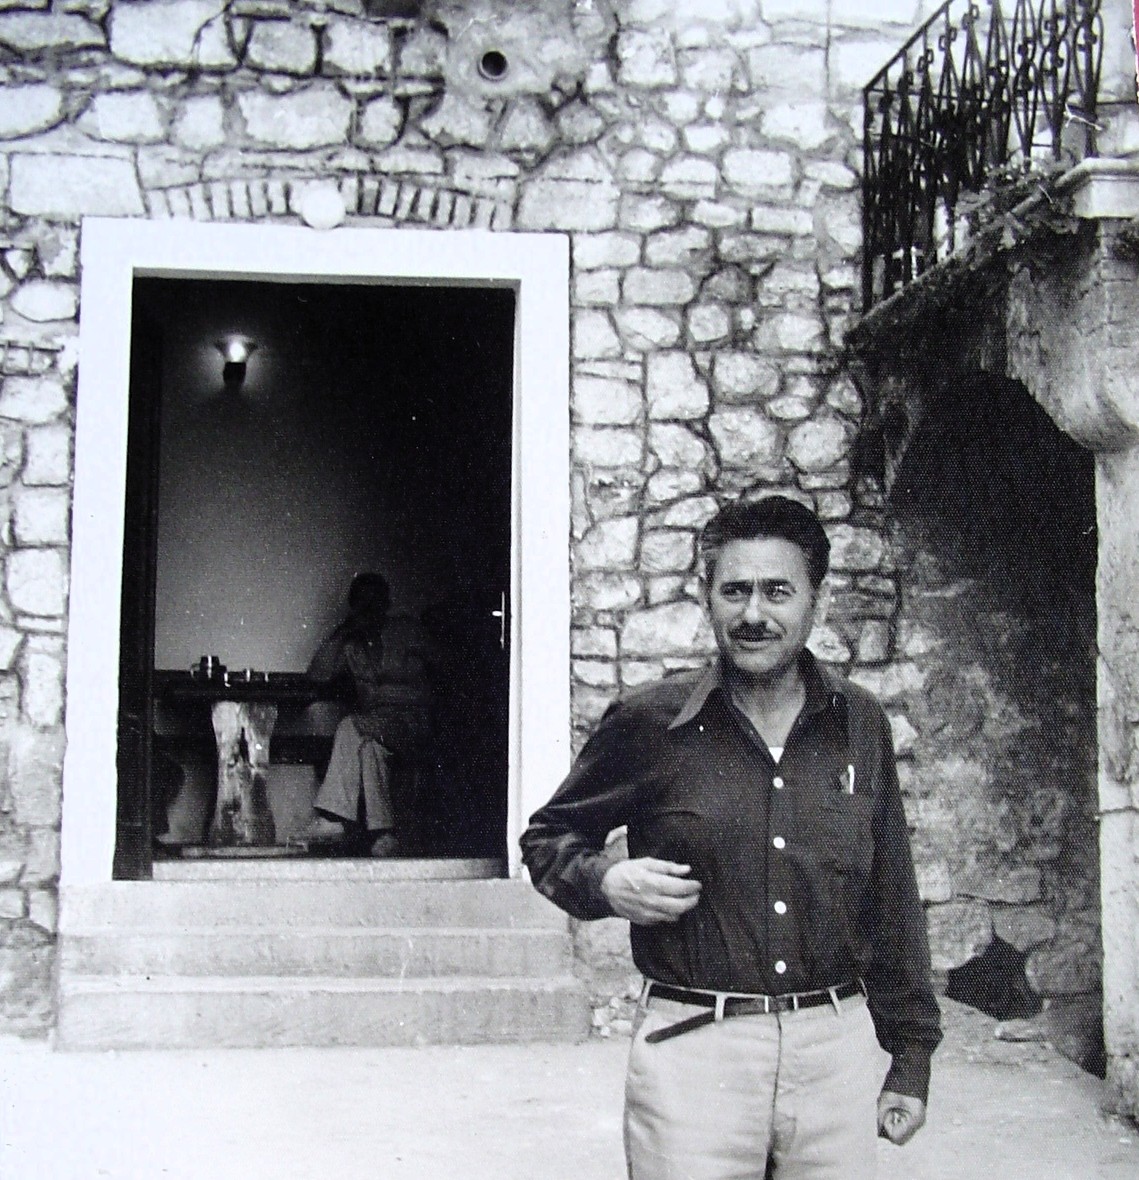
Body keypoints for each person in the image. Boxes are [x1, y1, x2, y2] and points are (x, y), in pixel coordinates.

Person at [520, 496, 941, 1180]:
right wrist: (604, 881)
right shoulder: (649, 721)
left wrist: (911, 1058)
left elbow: (890, 895)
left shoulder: (859, 724)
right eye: (735, 591)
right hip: (694, 1055)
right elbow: (547, 838)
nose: (753, 613)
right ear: (705, 598)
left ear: (816, 601)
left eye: (777, 591)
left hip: (832, 1055)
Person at [304, 572, 427, 857]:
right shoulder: (352, 645)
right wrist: (341, 633)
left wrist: (400, 690)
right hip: (376, 729)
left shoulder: (406, 631)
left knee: (350, 726)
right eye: (362, 603)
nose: (369, 609)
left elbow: (446, 667)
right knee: (369, 749)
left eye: (375, 602)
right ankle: (384, 834)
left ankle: (333, 817)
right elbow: (317, 676)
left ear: (386, 603)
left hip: (412, 723)